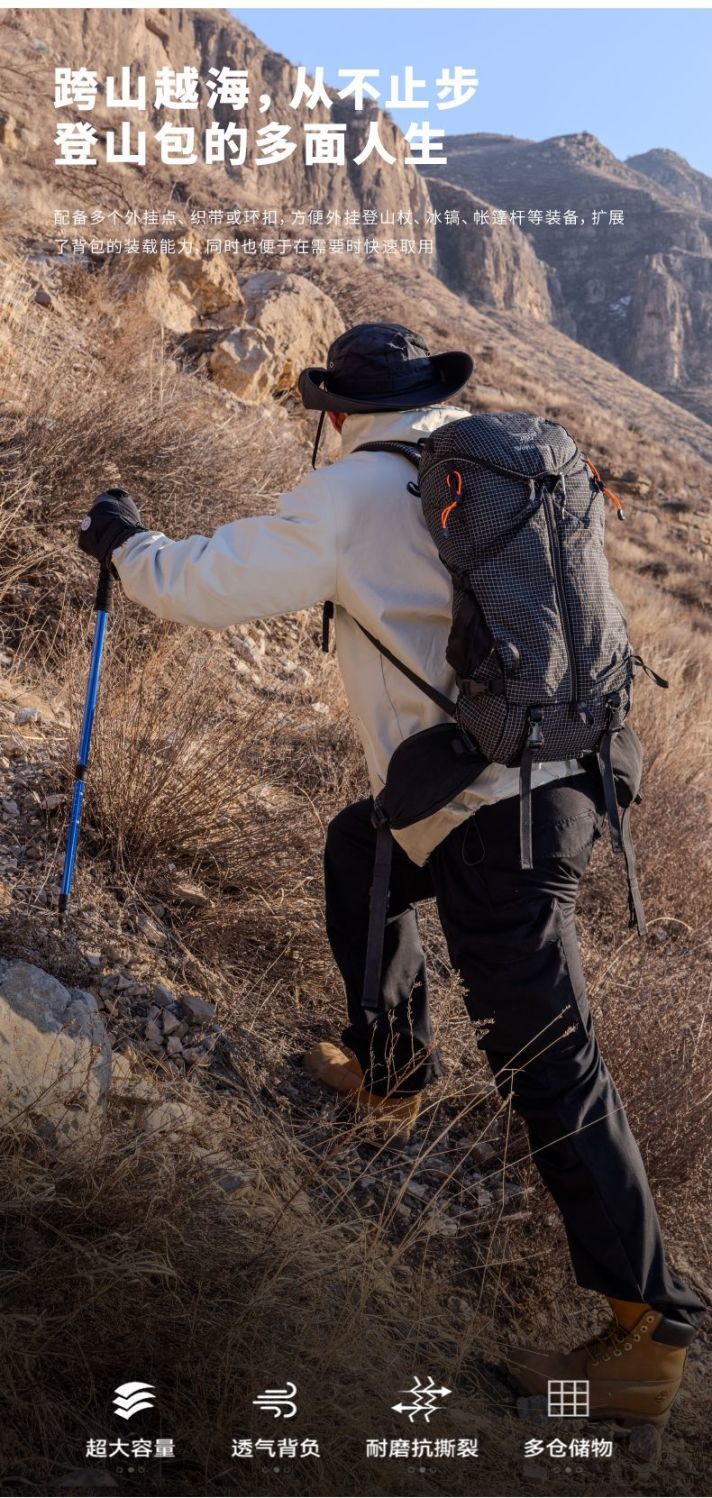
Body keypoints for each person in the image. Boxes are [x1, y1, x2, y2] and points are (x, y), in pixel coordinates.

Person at [78, 321, 704, 1424]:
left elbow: (200, 584)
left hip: (495, 817)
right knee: (360, 848)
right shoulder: (486, 462)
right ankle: (394, 1070)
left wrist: (127, 545)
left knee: (550, 1064)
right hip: (559, 774)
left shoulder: (350, 493)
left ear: (334, 412)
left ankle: (648, 1330)